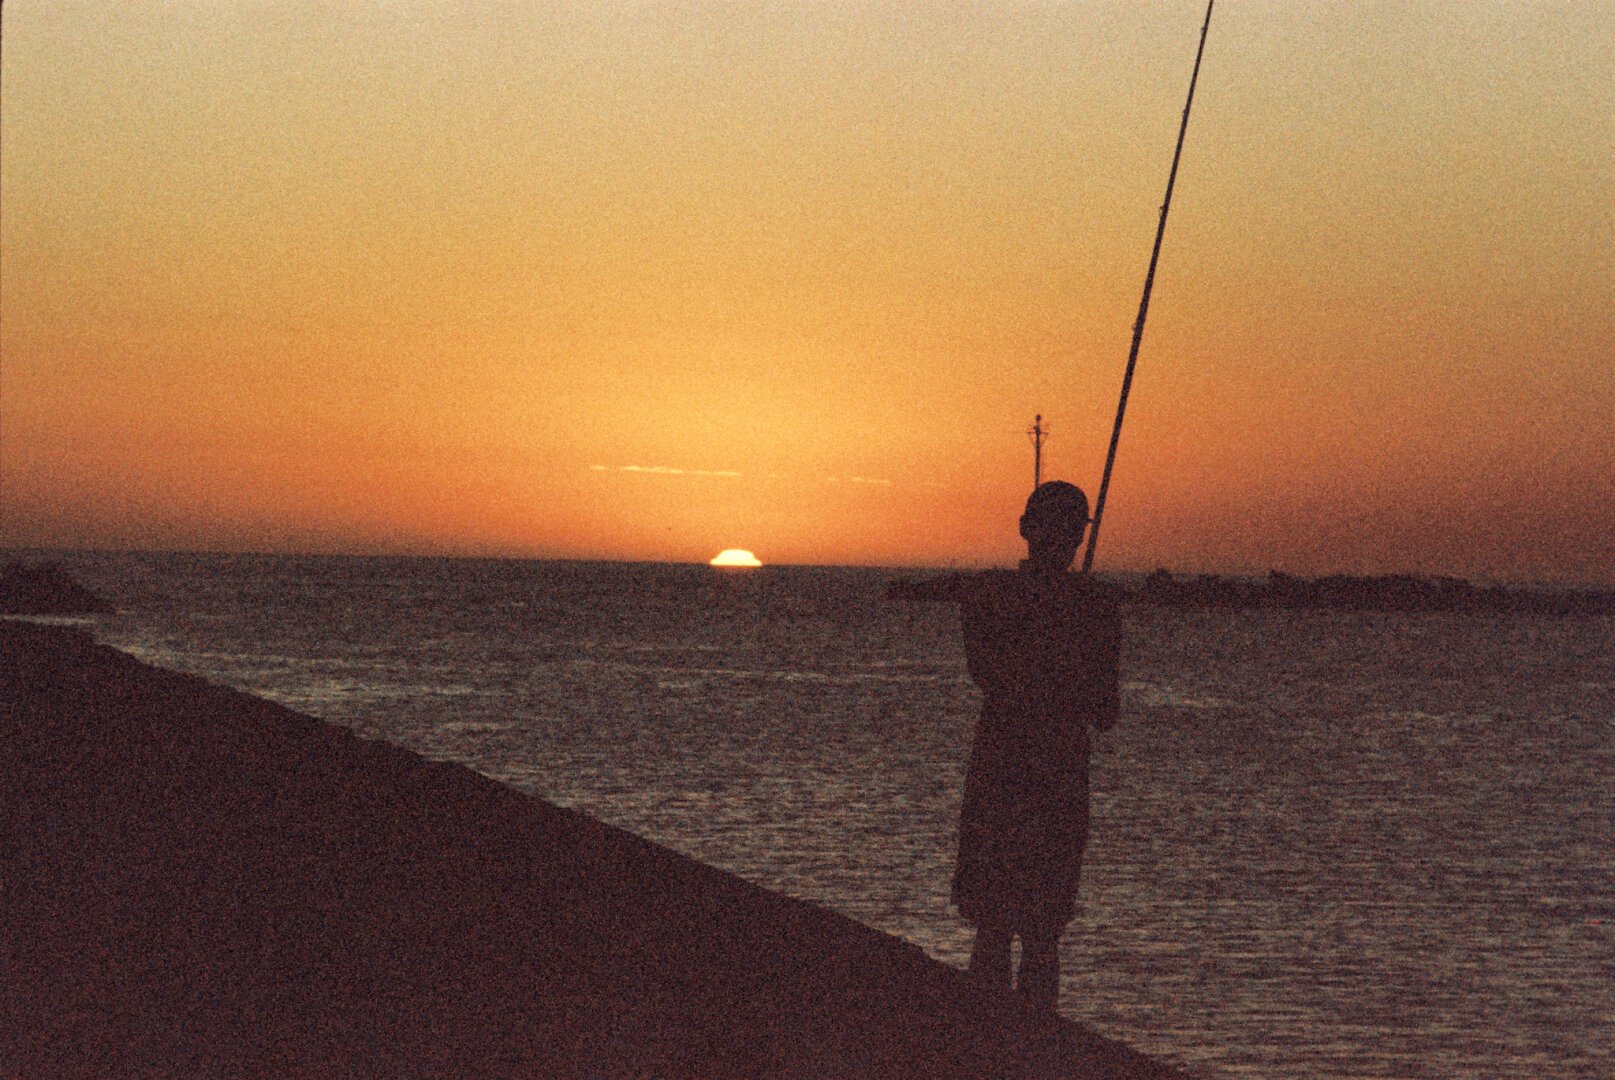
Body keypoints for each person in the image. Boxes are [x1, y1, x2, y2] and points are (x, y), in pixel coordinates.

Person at [888, 481, 1120, 1011]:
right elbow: (1105, 712)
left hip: (1002, 767)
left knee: (994, 923)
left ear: (1024, 529)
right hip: (1056, 774)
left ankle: (986, 1041)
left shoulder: (990, 596)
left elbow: (989, 674)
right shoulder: (1095, 608)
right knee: (1041, 930)